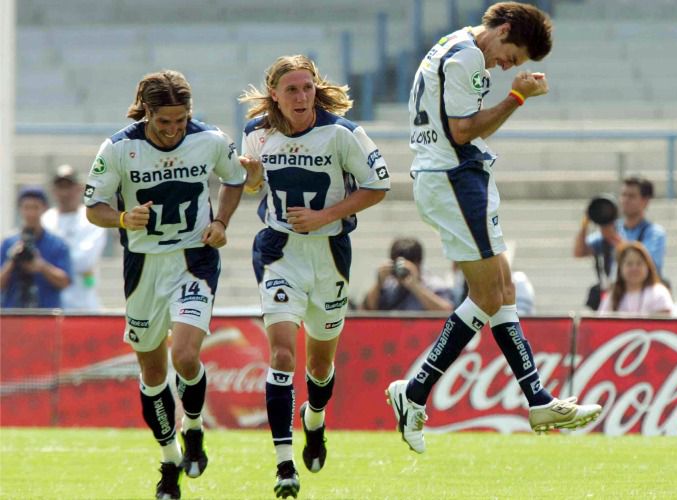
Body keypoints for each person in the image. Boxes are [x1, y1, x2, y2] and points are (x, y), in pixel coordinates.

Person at [386, 1, 601, 455]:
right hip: (453, 179)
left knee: (501, 290)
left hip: (457, 178)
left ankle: (537, 399)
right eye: (513, 55)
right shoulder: (465, 56)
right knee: (487, 296)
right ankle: (416, 390)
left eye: (515, 65)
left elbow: (467, 127)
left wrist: (509, 97)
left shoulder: (458, 47)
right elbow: (462, 131)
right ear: (503, 29)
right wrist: (516, 97)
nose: (508, 66)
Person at [83, 70, 246, 500]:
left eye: (180, 120)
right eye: (164, 122)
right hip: (143, 267)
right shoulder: (119, 148)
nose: (173, 130)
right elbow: (93, 207)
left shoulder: (210, 139)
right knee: (153, 375)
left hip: (193, 261)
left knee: (186, 355)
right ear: (147, 113)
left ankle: (193, 427)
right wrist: (121, 217)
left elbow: (235, 178)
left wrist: (221, 221)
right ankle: (170, 458)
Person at [239, 55, 389, 498]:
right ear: (275, 97)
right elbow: (251, 187)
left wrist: (326, 215)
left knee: (320, 366)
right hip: (278, 252)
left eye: (307, 87)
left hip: (329, 256)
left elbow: (378, 186)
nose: (301, 96)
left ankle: (315, 419)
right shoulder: (257, 134)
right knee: (283, 357)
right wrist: (249, 179)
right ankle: (285, 465)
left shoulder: (343, 134)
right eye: (291, 90)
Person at [574, 176, 667, 310]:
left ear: (645, 201)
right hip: (615, 296)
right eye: (623, 195)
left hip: (645, 299)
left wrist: (615, 240)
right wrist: (586, 222)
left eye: (632, 196)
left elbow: (650, 263)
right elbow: (579, 252)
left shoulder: (653, 232)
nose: (625, 200)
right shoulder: (612, 229)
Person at [41, 164, 108, 311]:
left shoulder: (91, 219)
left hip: (83, 305)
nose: (65, 193)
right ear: (54, 191)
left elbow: (84, 260)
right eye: (60, 187)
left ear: (79, 188)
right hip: (52, 304)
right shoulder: (46, 220)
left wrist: (49, 263)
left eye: (69, 187)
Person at [1, 187, 72, 309]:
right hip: (14, 314)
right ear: (20, 209)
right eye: (27, 208)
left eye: (35, 207)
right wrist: (12, 261)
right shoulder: (9, 243)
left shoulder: (57, 244)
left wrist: (42, 266)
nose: (31, 213)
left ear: (44, 209)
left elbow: (65, 282)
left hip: (46, 314)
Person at [361, 237, 453, 312]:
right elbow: (366, 310)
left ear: (418, 264)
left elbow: (447, 312)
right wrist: (378, 283)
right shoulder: (388, 285)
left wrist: (416, 287)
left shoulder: (434, 285)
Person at [597, 241, 673, 315]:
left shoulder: (659, 293)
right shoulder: (612, 295)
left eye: (639, 263)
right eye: (629, 264)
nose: (634, 268)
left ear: (648, 267)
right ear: (620, 269)